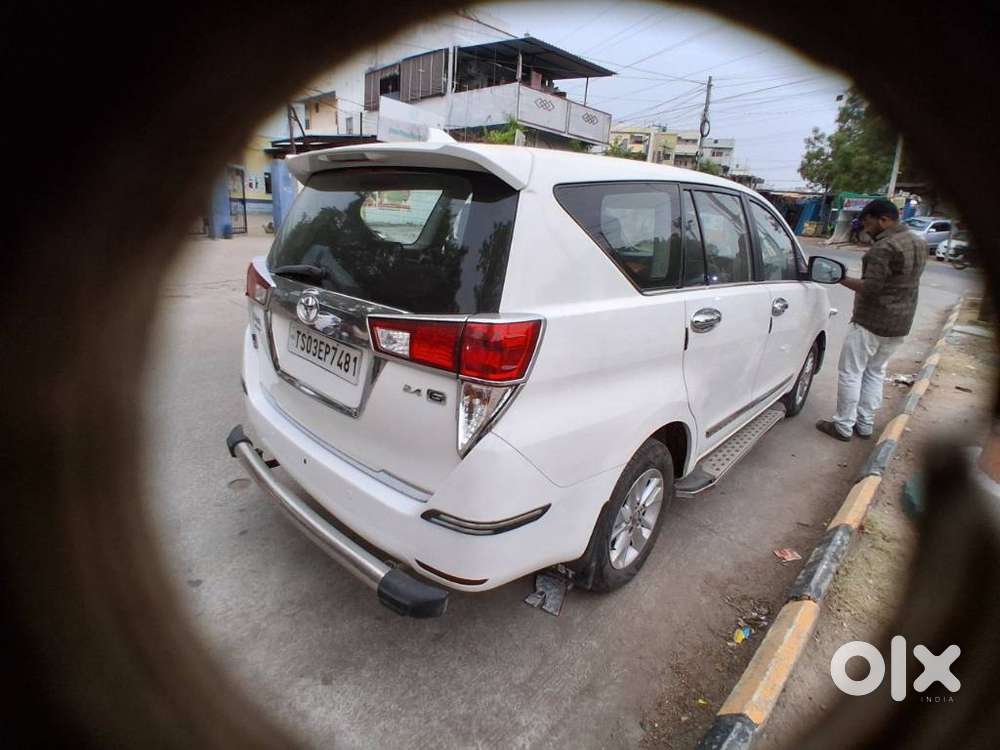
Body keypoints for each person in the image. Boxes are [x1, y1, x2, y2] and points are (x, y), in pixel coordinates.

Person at [816, 198, 927, 441]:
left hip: (871, 322)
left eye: (868, 223)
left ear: (884, 220)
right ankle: (864, 425)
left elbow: (872, 287)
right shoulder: (918, 242)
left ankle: (843, 425)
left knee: (851, 373)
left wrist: (841, 279)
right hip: (899, 323)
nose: (866, 229)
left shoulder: (884, 247)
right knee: (875, 372)